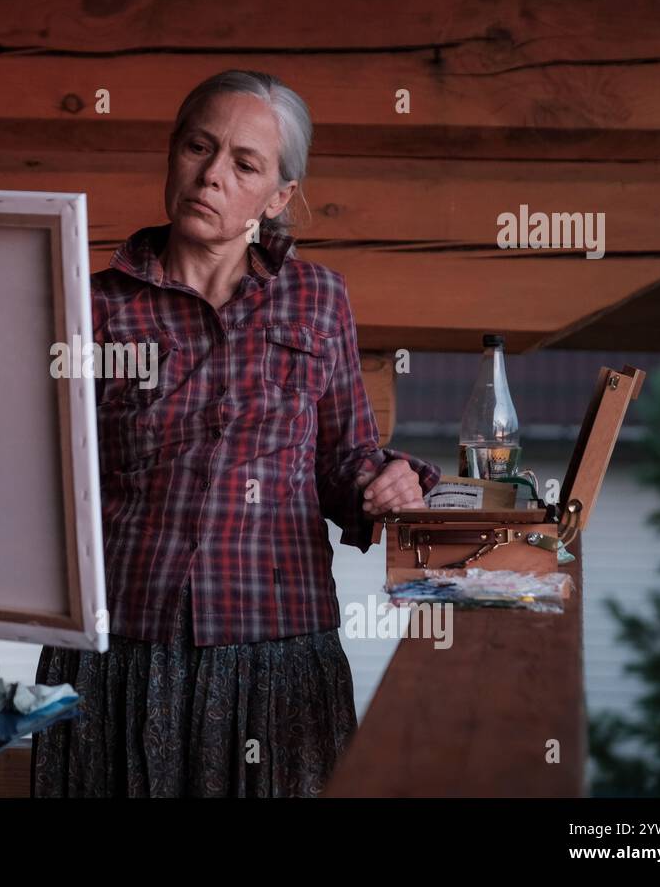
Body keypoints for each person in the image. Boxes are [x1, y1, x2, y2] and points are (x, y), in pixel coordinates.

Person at [31, 69, 441, 797]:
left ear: (278, 196)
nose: (212, 175)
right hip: (122, 656)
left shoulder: (319, 300)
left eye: (244, 164)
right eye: (198, 147)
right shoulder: (90, 308)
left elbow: (344, 462)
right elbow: (45, 478)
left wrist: (388, 483)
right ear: (172, 153)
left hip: (278, 657)